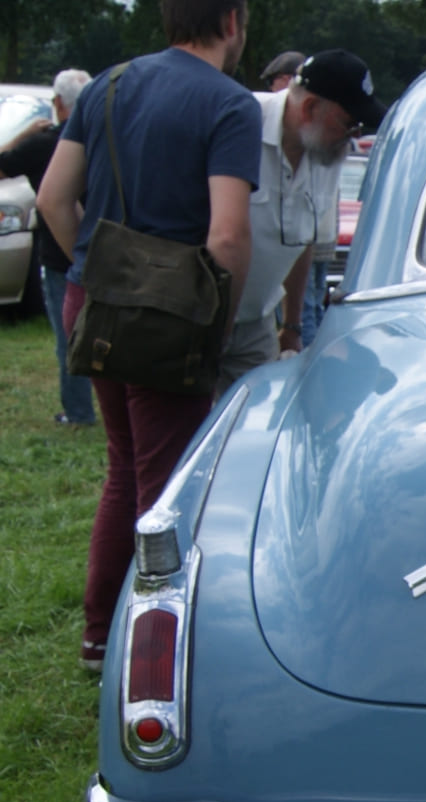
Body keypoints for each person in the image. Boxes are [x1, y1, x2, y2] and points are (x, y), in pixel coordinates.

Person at [36, 0, 261, 670]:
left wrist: (97, 269)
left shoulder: (105, 84)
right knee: (170, 487)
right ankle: (153, 646)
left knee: (124, 470)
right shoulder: (230, 105)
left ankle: (100, 634)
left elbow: (52, 197)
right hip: (170, 317)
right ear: (231, 22)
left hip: (93, 302)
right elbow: (226, 235)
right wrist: (216, 322)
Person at [217, 49, 385, 397]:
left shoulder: (325, 152)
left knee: (258, 427)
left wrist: (291, 323)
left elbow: (301, 239)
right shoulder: (238, 120)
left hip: (256, 322)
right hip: (203, 317)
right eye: (348, 123)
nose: (351, 135)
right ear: (309, 109)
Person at [0, 68, 93, 425]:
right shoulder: (102, 140)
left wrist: (23, 134)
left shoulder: (44, 144)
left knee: (68, 336)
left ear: (57, 103)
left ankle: (78, 410)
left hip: (58, 252)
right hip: (105, 245)